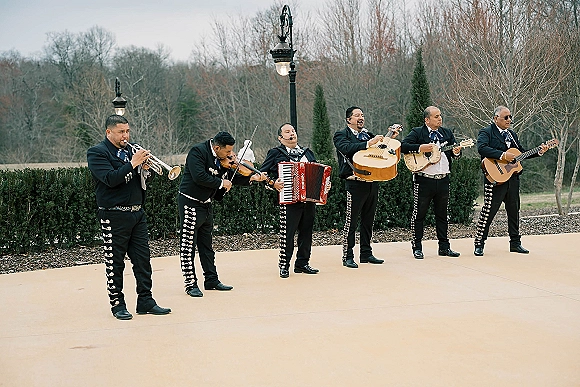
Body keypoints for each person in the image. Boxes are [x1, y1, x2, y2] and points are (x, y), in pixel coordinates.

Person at [87, 114, 171, 320]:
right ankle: (118, 304)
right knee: (115, 262)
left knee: (143, 261)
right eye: (121, 132)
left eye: (127, 131)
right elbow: (110, 179)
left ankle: (146, 301)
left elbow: (139, 181)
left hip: (137, 213)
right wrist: (133, 164)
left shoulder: (131, 151)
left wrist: (145, 170)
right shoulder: (97, 153)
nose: (126, 136)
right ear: (109, 132)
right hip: (113, 215)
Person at [178, 131, 267, 297]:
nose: (230, 156)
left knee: (207, 246)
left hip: (206, 204)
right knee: (188, 246)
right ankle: (190, 284)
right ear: (216, 147)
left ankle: (211, 280)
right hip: (190, 203)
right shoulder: (197, 152)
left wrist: (253, 178)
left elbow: (232, 179)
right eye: (227, 152)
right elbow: (200, 177)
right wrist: (221, 182)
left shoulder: (223, 161)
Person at [473, 106, 550, 256]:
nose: (509, 120)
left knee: (514, 211)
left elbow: (520, 154)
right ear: (496, 118)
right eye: (506, 117)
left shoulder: (512, 135)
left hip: (512, 179)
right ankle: (479, 243)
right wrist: (502, 156)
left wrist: (538, 151)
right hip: (495, 179)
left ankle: (515, 243)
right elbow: (482, 149)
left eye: (510, 117)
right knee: (488, 212)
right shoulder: (486, 132)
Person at [333, 106, 400, 268]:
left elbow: (382, 152)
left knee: (368, 220)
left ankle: (366, 253)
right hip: (354, 182)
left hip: (372, 181)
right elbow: (346, 148)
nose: (360, 117)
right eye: (356, 115)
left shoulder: (368, 135)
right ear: (349, 119)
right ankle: (347, 255)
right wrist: (368, 143)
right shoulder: (341, 135)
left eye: (362, 115)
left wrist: (390, 138)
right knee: (351, 221)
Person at [260, 123, 320, 278]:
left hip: (308, 200)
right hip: (289, 200)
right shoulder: (275, 153)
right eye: (287, 132)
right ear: (280, 138)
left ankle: (302, 263)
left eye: (293, 131)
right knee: (288, 233)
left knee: (306, 233)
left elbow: (319, 171)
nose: (291, 134)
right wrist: (273, 183)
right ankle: (284, 265)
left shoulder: (307, 152)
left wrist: (324, 184)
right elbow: (262, 174)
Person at [401, 106, 462, 259]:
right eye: (436, 116)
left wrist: (457, 152)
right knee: (419, 214)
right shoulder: (418, 132)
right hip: (424, 180)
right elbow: (404, 146)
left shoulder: (446, 133)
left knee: (442, 215)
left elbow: (455, 155)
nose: (440, 118)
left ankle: (444, 247)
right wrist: (420, 147)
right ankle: (417, 247)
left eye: (440, 115)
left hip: (442, 179)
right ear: (427, 119)